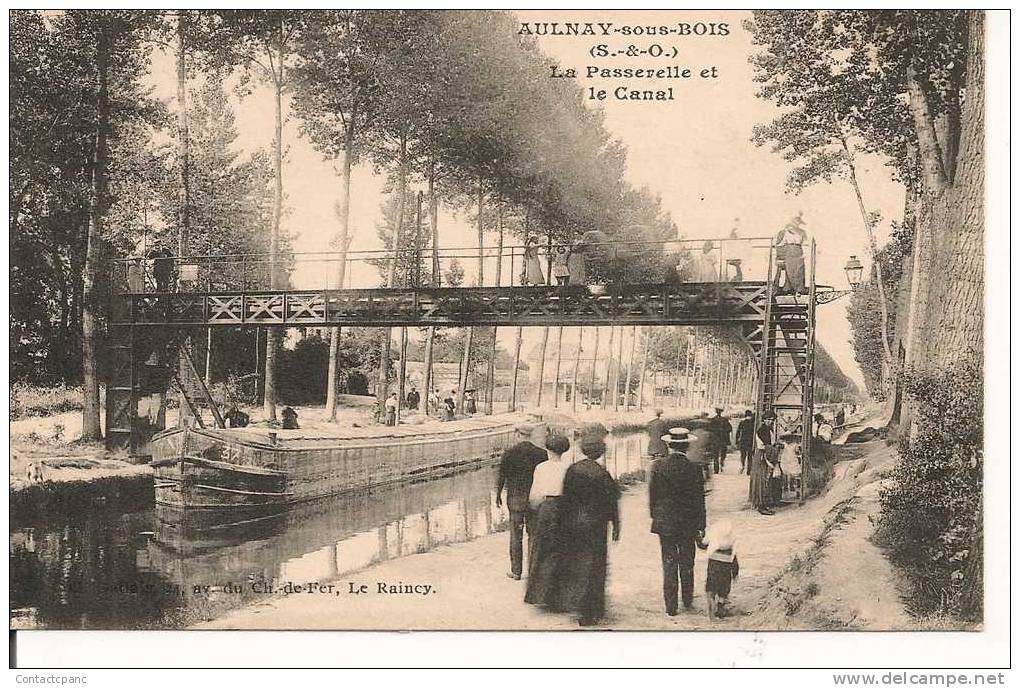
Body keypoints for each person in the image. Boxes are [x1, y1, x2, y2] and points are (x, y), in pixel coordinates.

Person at [545, 425, 620, 626]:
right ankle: (593, 608)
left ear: (582, 450)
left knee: (576, 564)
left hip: (574, 524)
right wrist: (616, 526)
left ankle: (578, 605)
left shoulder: (573, 470)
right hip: (597, 526)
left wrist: (559, 524)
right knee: (596, 565)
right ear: (601, 452)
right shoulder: (603, 474)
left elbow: (566, 500)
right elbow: (612, 502)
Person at [649, 427, 706, 615]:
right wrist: (701, 526)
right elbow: (699, 500)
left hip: (665, 523)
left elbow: (653, 497)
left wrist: (656, 517)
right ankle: (687, 599)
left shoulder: (658, 467)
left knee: (669, 561)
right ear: (688, 446)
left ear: (669, 445)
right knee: (687, 561)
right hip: (688, 523)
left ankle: (671, 606)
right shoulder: (695, 469)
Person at [496, 423, 549, 580]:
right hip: (534, 500)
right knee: (533, 535)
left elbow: (501, 477)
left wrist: (498, 495)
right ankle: (533, 571)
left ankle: (516, 571)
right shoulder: (541, 454)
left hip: (515, 501)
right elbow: (543, 479)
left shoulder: (509, 453)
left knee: (515, 535)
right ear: (530, 436)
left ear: (518, 434)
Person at [524, 434, 571, 606]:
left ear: (548, 449)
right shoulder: (569, 467)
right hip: (564, 509)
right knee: (562, 549)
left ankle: (541, 595)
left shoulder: (541, 468)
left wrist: (536, 510)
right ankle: (561, 595)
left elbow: (534, 495)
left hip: (547, 508)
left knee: (542, 550)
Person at [697, 520, 740, 620]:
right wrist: (735, 573)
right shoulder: (731, 543)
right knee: (724, 588)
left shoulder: (714, 539)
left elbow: (703, 544)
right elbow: (735, 560)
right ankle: (721, 605)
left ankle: (711, 600)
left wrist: (698, 539)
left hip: (713, 564)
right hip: (726, 566)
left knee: (711, 585)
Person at [749, 412, 779, 515]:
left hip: (766, 454)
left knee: (767, 480)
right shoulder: (762, 430)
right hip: (762, 456)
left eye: (772, 420)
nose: (770, 421)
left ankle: (765, 503)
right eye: (768, 419)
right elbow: (763, 446)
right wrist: (774, 448)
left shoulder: (769, 430)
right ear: (764, 420)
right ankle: (761, 505)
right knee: (761, 480)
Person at [774, 213, 808, 294]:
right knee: (790, 269)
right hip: (789, 250)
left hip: (798, 250)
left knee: (799, 269)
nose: (797, 223)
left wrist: (805, 253)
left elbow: (806, 243)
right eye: (795, 222)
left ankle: (799, 289)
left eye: (798, 222)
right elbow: (781, 243)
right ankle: (789, 288)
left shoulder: (802, 232)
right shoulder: (785, 232)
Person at [707, 407, 732, 475]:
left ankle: (716, 469)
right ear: (721, 412)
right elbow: (730, 429)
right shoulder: (724, 420)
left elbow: (710, 430)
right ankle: (722, 462)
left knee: (715, 455)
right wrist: (724, 432)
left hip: (715, 440)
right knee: (723, 453)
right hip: (723, 440)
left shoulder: (713, 420)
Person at [735, 410, 755, 475]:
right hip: (751, 441)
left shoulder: (742, 422)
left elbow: (738, 432)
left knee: (743, 455)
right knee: (750, 457)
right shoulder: (753, 423)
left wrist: (737, 441)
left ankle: (743, 465)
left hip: (743, 441)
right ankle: (749, 470)